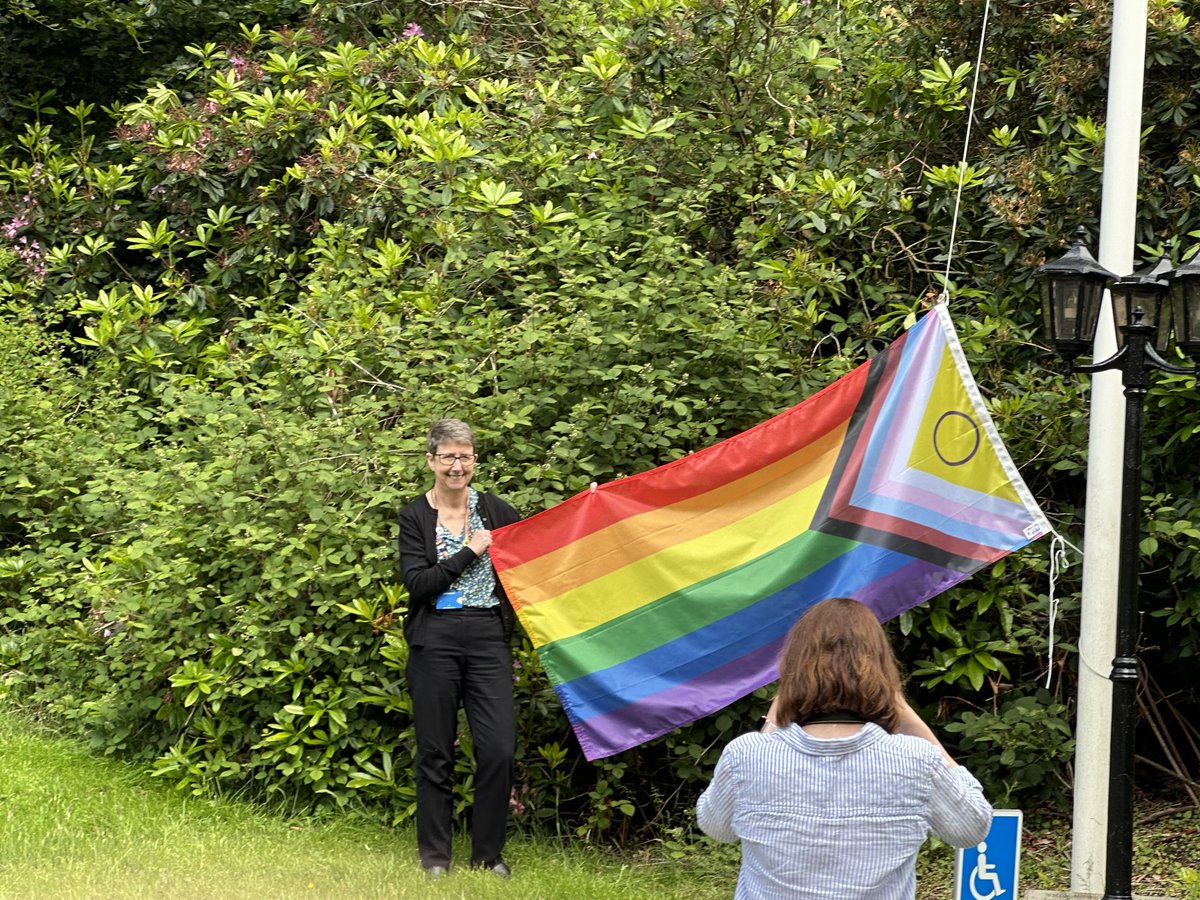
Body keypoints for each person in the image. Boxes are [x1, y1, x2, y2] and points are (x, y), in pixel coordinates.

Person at [696, 597, 992, 900]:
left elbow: (716, 826)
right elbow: (971, 828)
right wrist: (909, 718)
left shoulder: (747, 755)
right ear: (881, 670)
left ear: (792, 668)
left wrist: (772, 723)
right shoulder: (916, 760)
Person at [397, 418, 521, 880]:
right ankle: (435, 858)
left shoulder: (494, 508)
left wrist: (588, 505)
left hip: (488, 636)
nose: (457, 465)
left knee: (498, 751)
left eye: (464, 456)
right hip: (436, 640)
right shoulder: (414, 516)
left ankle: (488, 856)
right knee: (435, 751)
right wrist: (470, 551)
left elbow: (540, 544)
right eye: (447, 456)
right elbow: (417, 584)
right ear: (430, 461)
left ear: (475, 460)